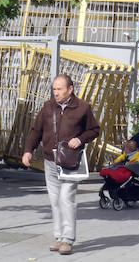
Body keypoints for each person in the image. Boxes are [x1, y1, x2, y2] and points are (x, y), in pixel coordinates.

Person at [21, 74, 101, 256]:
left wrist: (80, 139)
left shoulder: (83, 107)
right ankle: (59, 237)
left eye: (59, 89)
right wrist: (28, 150)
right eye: (54, 89)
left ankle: (68, 239)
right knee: (54, 200)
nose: (55, 93)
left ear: (70, 89)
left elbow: (95, 130)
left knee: (66, 198)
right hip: (50, 160)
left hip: (71, 161)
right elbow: (36, 131)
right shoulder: (48, 107)